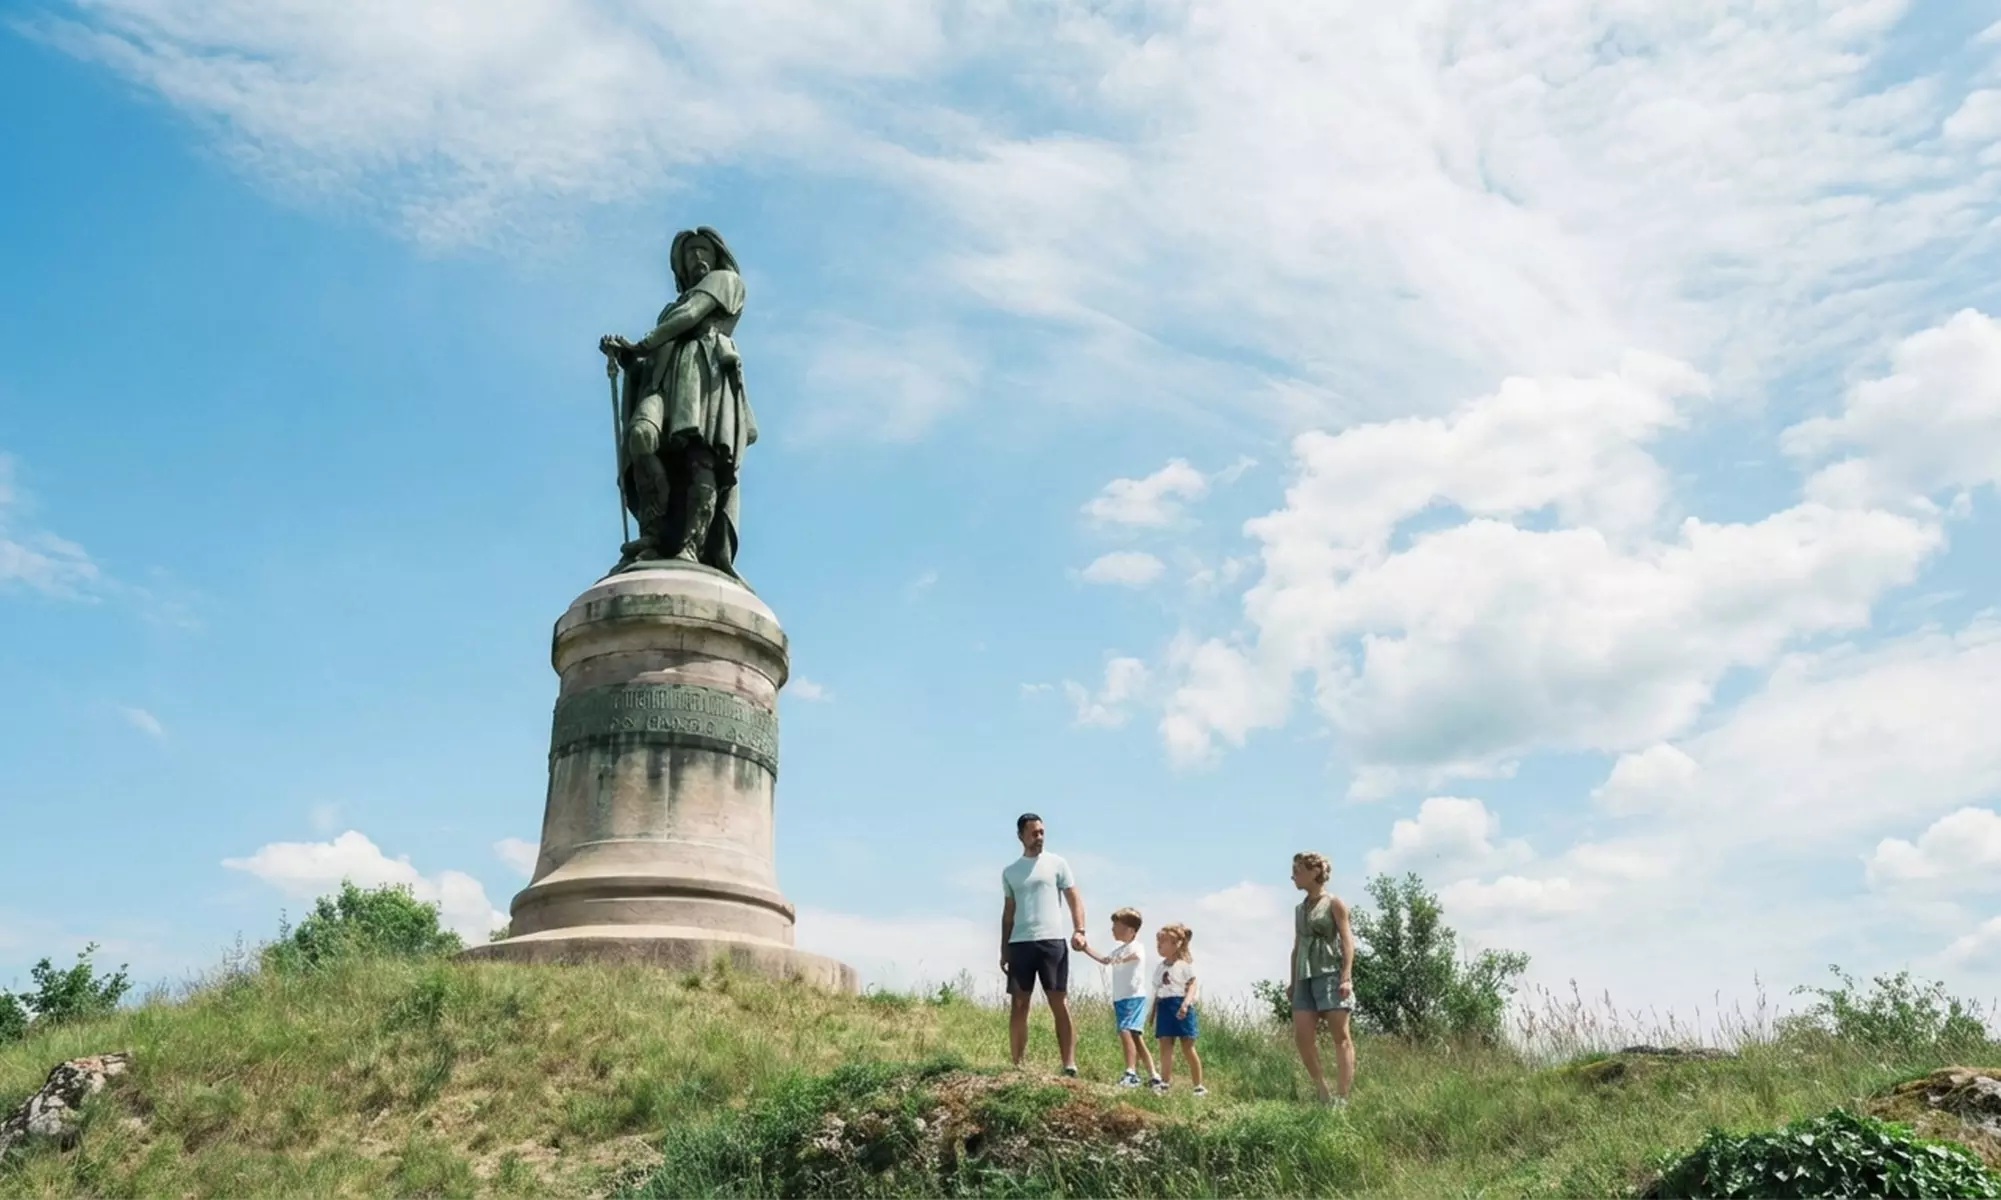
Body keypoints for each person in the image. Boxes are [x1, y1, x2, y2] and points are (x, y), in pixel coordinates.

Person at [598, 226, 757, 576]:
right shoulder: (670, 309)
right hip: (662, 380)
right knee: (641, 436)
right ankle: (654, 534)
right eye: (689, 253)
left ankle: (692, 544)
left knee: (701, 455)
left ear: (717, 256)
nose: (697, 257)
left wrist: (641, 344)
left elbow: (691, 316)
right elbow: (659, 349)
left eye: (703, 250)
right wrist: (629, 358)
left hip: (703, 370)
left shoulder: (725, 281)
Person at [1000, 813, 1087, 1076]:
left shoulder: (1057, 863)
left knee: (1059, 1001)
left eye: (1041, 832)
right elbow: (1008, 913)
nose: (1039, 837)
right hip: (1020, 943)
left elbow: (1073, 897)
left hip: (1052, 941)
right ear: (1021, 836)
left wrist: (1079, 930)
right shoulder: (1010, 872)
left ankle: (1069, 1064)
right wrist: (1004, 949)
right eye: (1033, 833)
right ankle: (1018, 1065)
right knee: (1019, 1004)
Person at [1288, 850, 1355, 1107]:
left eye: (1297, 871)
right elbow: (1296, 947)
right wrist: (1293, 982)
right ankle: (1322, 1091)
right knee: (1302, 1037)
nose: (1293, 876)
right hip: (1304, 977)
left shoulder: (1334, 903)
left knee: (1340, 1036)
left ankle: (1342, 1096)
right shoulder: (1299, 909)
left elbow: (1347, 941)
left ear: (1315, 871)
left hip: (1329, 973)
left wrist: (1345, 977)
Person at [1078, 907, 1160, 1089]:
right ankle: (1153, 1075)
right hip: (1120, 998)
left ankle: (1131, 1072)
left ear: (1130, 930)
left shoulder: (1136, 947)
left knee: (1125, 1030)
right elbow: (1105, 960)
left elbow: (1136, 956)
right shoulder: (1118, 950)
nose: (1113, 929)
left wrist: (1121, 960)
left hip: (1133, 996)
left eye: (1117, 926)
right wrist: (1085, 948)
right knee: (1135, 1036)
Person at [1149, 922, 1204, 1096]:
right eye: (1158, 941)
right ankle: (1165, 1082)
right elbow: (1158, 990)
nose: (1159, 945)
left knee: (1187, 1046)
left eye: (1163, 941)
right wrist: (1152, 1012)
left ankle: (1198, 1085)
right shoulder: (1160, 967)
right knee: (1165, 1045)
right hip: (1164, 1006)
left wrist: (1185, 1004)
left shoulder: (1184, 965)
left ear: (1176, 944)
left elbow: (1192, 985)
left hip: (1180, 1004)